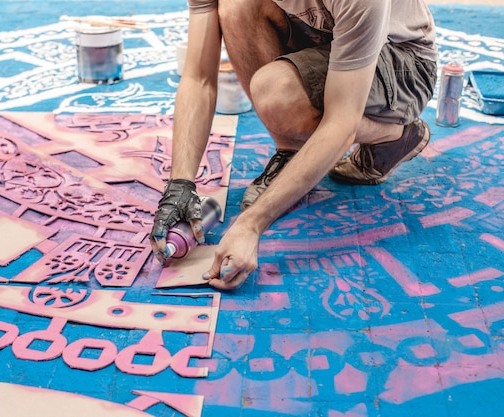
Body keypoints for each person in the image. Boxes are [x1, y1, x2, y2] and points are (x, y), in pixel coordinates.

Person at [150, 0, 438, 290]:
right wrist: (180, 184)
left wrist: (251, 225)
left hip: (402, 61)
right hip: (322, 35)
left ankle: (394, 134)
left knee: (278, 94)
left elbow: (341, 121)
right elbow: (199, 77)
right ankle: (293, 152)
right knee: (237, 7)